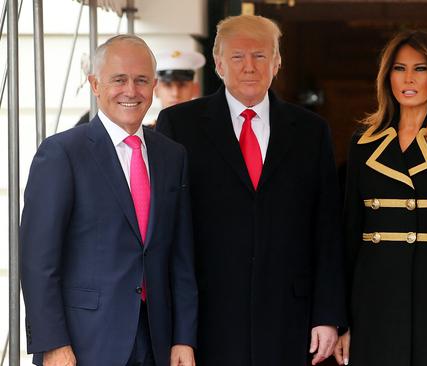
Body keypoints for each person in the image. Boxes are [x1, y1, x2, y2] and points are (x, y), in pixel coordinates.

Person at [156, 15, 346, 366]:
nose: (249, 67)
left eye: (259, 56)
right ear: (218, 64)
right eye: (237, 56)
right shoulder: (179, 125)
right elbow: (167, 230)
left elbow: (327, 229)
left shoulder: (311, 131)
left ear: (276, 62)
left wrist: (328, 314)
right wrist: (177, 328)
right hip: (207, 318)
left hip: (290, 318)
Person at [20, 35, 198, 366]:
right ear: (95, 84)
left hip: (156, 341)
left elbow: (180, 255)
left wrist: (183, 338)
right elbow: (38, 261)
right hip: (85, 343)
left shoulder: (172, 156)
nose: (131, 90)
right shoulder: (62, 153)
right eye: (119, 79)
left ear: (154, 85)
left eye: (141, 80)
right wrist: (53, 343)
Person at [334, 30, 427, 366]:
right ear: (387, 76)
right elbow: (348, 235)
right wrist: (342, 320)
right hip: (373, 299)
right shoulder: (363, 142)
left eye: (421, 68)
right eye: (399, 68)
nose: (408, 78)